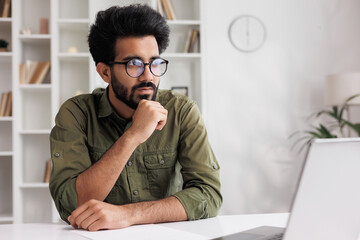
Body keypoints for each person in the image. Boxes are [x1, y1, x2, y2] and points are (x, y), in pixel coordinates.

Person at [49, 4, 222, 231]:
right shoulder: (76, 114)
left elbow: (208, 195)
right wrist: (133, 135)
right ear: (105, 72)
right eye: (134, 64)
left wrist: (128, 214)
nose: (148, 76)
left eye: (155, 63)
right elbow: (70, 204)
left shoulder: (181, 110)